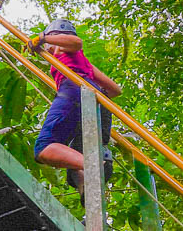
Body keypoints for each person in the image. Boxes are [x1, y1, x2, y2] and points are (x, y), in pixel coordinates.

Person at [30, 18, 121, 198]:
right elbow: (115, 90)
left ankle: (96, 166)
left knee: (44, 147)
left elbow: (76, 43)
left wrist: (43, 38)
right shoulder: (84, 64)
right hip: (95, 100)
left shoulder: (62, 48)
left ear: (55, 36)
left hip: (73, 91)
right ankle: (89, 191)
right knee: (73, 156)